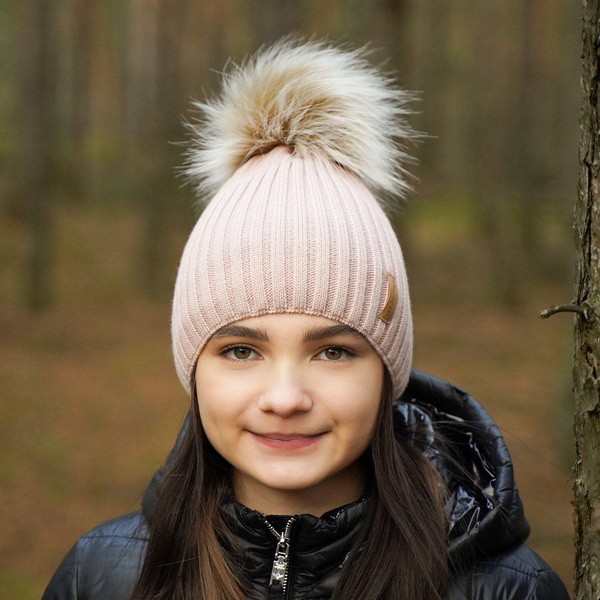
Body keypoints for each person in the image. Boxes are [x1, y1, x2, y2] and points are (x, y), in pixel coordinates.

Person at [42, 39, 569, 600]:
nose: (286, 398)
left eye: (333, 351)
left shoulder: (508, 589)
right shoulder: (100, 575)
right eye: (241, 351)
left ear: (387, 372)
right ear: (193, 369)